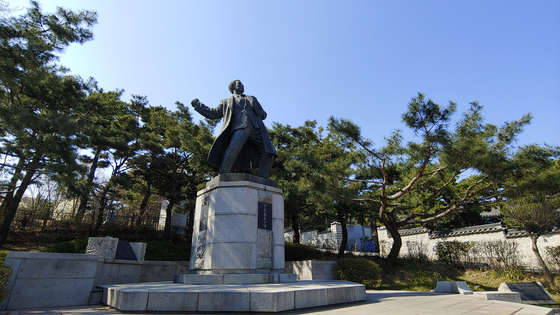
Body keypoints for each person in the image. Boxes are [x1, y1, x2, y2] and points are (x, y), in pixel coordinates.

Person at [191, 80, 277, 179]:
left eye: (242, 84)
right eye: (239, 84)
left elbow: (264, 114)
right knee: (232, 149)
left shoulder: (252, 98)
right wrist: (198, 105)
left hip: (256, 127)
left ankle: (263, 178)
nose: (242, 86)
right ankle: (223, 174)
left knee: (268, 151)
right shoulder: (226, 102)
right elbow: (213, 113)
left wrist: (260, 112)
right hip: (239, 126)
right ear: (233, 88)